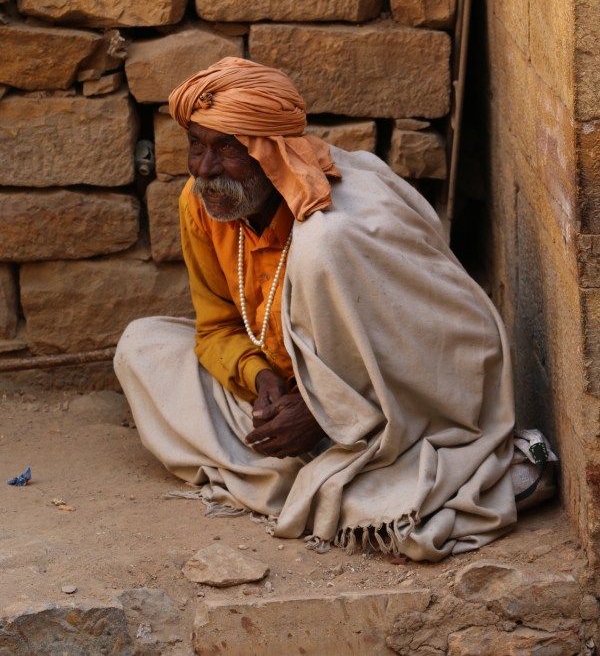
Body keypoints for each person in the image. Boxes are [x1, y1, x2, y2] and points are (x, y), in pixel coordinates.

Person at [115, 56, 518, 561]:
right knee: (141, 346)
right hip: (285, 397)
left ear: (272, 151)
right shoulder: (201, 204)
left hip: (378, 412)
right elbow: (215, 327)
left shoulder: (339, 227)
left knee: (320, 252)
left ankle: (322, 474)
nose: (204, 169)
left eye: (227, 149)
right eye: (196, 144)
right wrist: (261, 381)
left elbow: (437, 349)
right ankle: (320, 477)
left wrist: (322, 413)